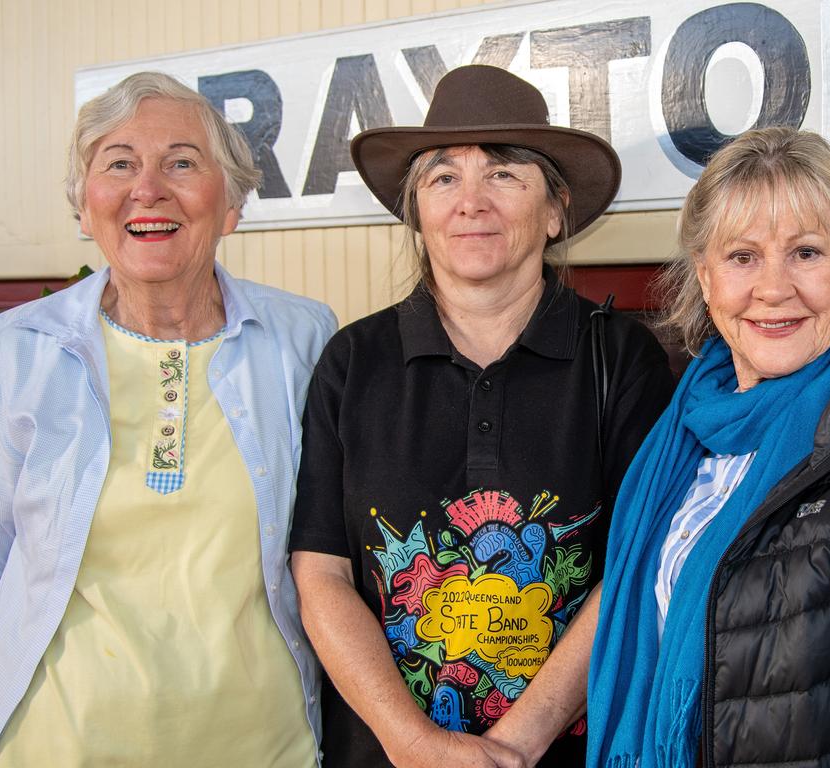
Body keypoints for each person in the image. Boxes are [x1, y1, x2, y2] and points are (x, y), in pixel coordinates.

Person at [0, 72, 336, 767]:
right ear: (84, 205)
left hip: (263, 747)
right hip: (54, 747)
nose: (147, 188)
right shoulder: (17, 348)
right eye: (118, 163)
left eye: (182, 162)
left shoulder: (305, 337)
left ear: (234, 203)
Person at [289, 64, 676, 768]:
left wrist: (512, 749)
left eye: (503, 175)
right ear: (417, 210)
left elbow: (638, 569)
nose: (471, 202)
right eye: (443, 177)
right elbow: (321, 575)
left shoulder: (622, 359)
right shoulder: (352, 362)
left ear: (555, 210)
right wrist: (417, 746)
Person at [586, 126, 830, 767]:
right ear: (705, 276)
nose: (772, 289)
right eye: (742, 257)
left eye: (805, 253)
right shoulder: (681, 431)